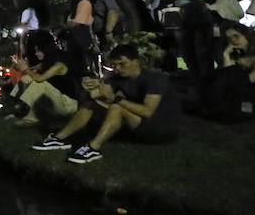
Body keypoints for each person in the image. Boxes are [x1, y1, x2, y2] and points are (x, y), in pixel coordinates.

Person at [31, 43, 178, 164]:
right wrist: (88, 88)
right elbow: (94, 96)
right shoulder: (118, 77)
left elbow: (148, 111)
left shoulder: (155, 79)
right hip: (137, 124)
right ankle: (60, 139)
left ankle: (93, 148)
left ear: (136, 61)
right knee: (92, 103)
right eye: (115, 65)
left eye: (122, 64)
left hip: (160, 128)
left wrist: (114, 98)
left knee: (116, 107)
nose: (118, 68)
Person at [5, 30, 79, 126]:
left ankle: (32, 118)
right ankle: (21, 109)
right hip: (58, 99)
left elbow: (40, 78)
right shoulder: (48, 60)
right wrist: (20, 67)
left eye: (38, 51)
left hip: (68, 104)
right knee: (26, 79)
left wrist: (26, 69)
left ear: (45, 49)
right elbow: (33, 70)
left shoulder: (59, 63)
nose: (36, 53)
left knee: (38, 83)